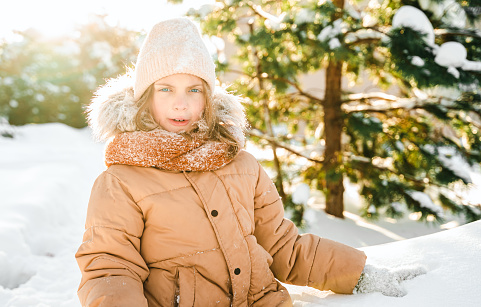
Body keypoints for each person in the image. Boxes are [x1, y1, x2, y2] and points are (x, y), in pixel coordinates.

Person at [76, 18, 425, 306]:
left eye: (194, 89)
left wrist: (360, 275)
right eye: (165, 89)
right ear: (144, 97)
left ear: (210, 97)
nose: (180, 104)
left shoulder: (242, 165)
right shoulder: (121, 182)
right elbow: (110, 268)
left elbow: (282, 247)